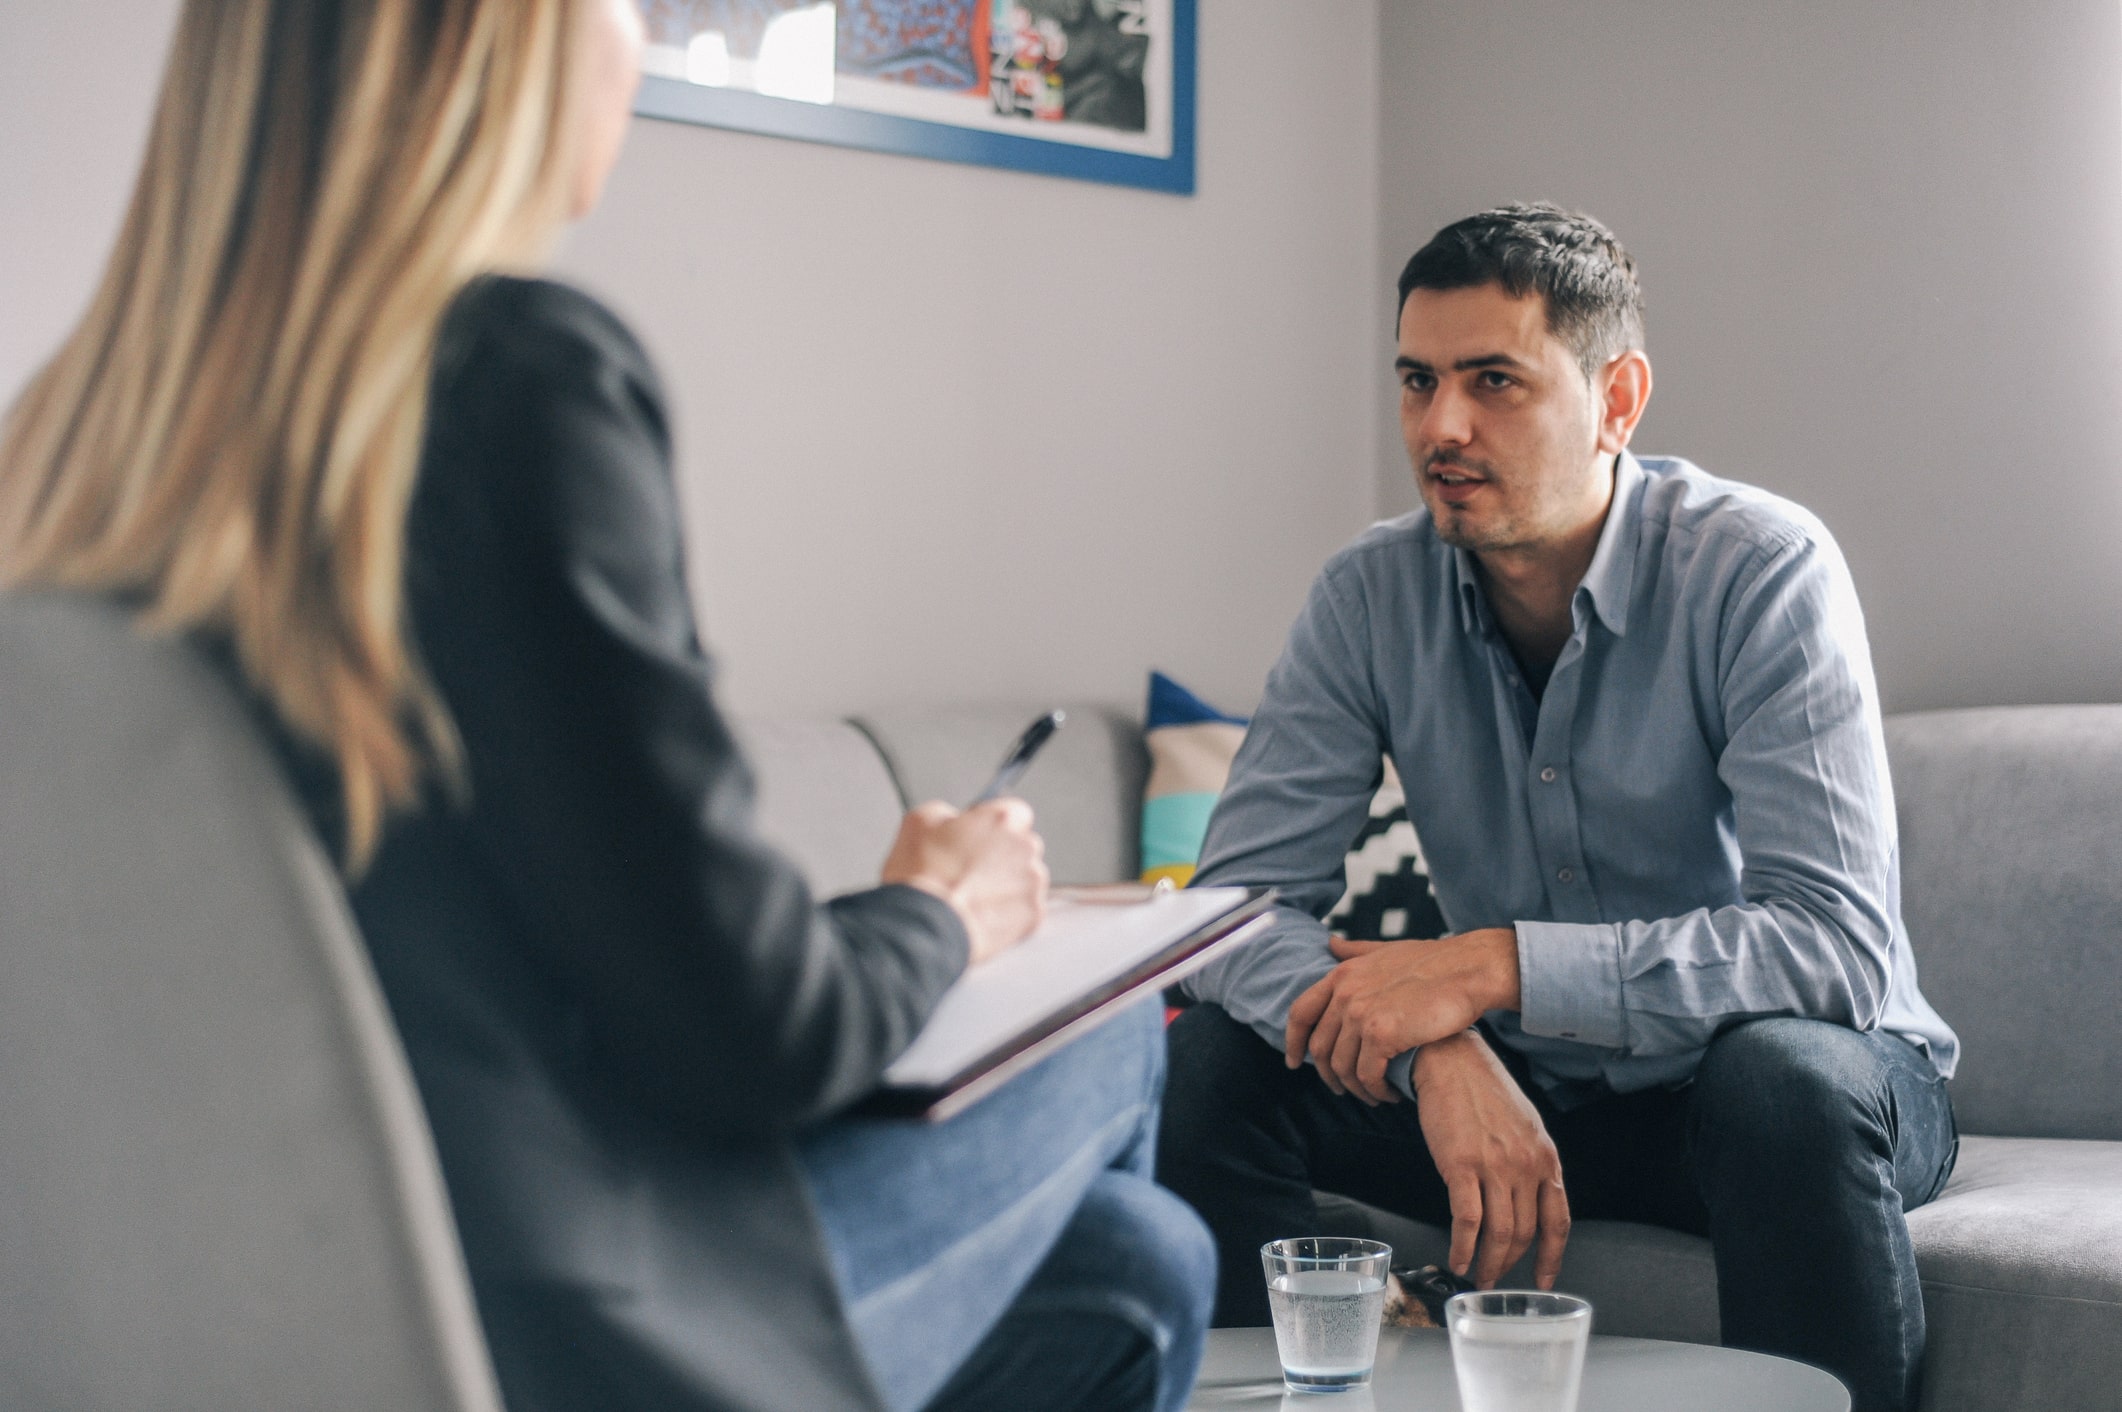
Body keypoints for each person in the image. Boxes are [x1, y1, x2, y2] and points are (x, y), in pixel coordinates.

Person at [0, 2, 1212, 1409]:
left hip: (231, 1331)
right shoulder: (504, 384)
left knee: (1138, 1263)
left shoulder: (71, 453)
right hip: (545, 1332)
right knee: (1114, 1016)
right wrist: (947, 910)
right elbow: (750, 1038)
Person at [1156, 204, 1959, 1412]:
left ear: (1616, 397)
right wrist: (1433, 1044)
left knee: (1777, 1079)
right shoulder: (1369, 594)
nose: (1442, 426)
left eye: (1493, 381)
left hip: (1788, 1096)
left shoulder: (1759, 568)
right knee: (1214, 1061)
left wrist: (1487, 969)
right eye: (1417, 381)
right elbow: (1228, 911)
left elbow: (1830, 946)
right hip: (1528, 1090)